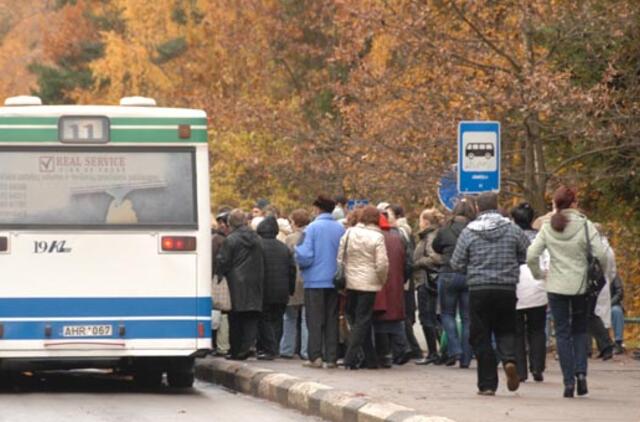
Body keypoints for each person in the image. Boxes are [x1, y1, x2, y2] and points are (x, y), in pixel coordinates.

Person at [527, 186, 608, 398]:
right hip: (581, 285)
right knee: (580, 331)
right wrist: (601, 274)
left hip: (556, 286)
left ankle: (568, 382)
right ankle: (581, 374)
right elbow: (601, 253)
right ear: (573, 203)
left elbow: (531, 254)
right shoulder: (585, 225)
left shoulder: (548, 227)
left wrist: (540, 274)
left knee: (562, 333)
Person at [451, 192, 530, 396]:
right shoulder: (512, 229)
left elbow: (456, 262)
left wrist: (471, 267)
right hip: (506, 288)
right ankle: (510, 360)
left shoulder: (469, 232)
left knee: (481, 334)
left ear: (478, 208)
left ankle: (487, 384)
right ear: (497, 206)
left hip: (479, 288)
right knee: (506, 329)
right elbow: (526, 253)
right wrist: (513, 264)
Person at [295, 195, 345, 368]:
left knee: (314, 319)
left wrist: (299, 261)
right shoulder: (340, 228)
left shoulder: (311, 229)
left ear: (317, 209)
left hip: (314, 281)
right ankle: (331, 357)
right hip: (334, 281)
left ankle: (315, 356)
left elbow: (305, 255)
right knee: (331, 319)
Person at [338, 205, 389, 369]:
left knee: (356, 318)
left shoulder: (349, 232)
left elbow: (341, 257)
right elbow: (382, 264)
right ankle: (350, 358)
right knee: (363, 320)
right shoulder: (377, 237)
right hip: (369, 283)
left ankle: (370, 358)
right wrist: (381, 280)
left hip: (351, 282)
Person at [216, 208, 265, 360]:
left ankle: (236, 350)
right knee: (251, 316)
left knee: (235, 318)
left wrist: (219, 275)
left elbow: (223, 261)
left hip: (235, 282)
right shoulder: (256, 238)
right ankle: (247, 346)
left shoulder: (230, 240)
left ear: (231, 223)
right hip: (255, 280)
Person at [432, 198, 476, 368]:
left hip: (448, 273)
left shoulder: (445, 229)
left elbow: (436, 247)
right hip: (468, 274)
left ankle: (455, 348)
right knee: (467, 318)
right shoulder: (473, 229)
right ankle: (466, 358)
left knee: (447, 314)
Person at [511, 203, 547, 383]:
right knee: (537, 329)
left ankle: (520, 371)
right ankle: (537, 367)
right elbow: (547, 261)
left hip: (516, 286)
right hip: (538, 285)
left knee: (516, 331)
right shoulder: (540, 237)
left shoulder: (511, 236)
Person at [256, 216, 297, 360]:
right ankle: (275, 347)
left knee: (264, 319)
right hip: (282, 291)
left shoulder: (257, 246)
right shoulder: (284, 248)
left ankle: (269, 348)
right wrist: (290, 289)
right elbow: (292, 270)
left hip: (263, 290)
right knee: (277, 319)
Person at [373, 212, 409, 367]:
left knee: (378, 318)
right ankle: (401, 349)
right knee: (394, 318)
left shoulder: (376, 238)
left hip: (379, 283)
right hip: (396, 283)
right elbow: (408, 263)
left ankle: (384, 354)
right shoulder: (397, 237)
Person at [413, 208, 444, 365]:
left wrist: (417, 263)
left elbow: (437, 258)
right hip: (426, 280)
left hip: (427, 281)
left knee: (428, 317)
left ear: (426, 221)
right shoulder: (430, 236)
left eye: (420, 220)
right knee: (431, 317)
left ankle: (434, 352)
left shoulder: (431, 237)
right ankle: (439, 351)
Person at [281, 209, 311, 360]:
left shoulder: (290, 239)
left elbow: (287, 262)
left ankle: (287, 349)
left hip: (293, 282)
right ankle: (306, 350)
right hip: (307, 280)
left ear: (295, 222)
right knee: (307, 319)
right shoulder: (311, 236)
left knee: (290, 318)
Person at [211, 210, 231, 355]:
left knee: (219, 310)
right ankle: (223, 344)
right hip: (227, 279)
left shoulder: (217, 240)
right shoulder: (225, 239)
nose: (221, 226)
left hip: (218, 279)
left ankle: (220, 344)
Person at [610, 274, 625, 354]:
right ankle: (587, 348)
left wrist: (609, 304)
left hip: (611, 305)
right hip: (596, 306)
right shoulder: (592, 274)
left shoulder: (614, 276)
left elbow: (619, 293)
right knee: (585, 313)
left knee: (616, 311)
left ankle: (618, 342)